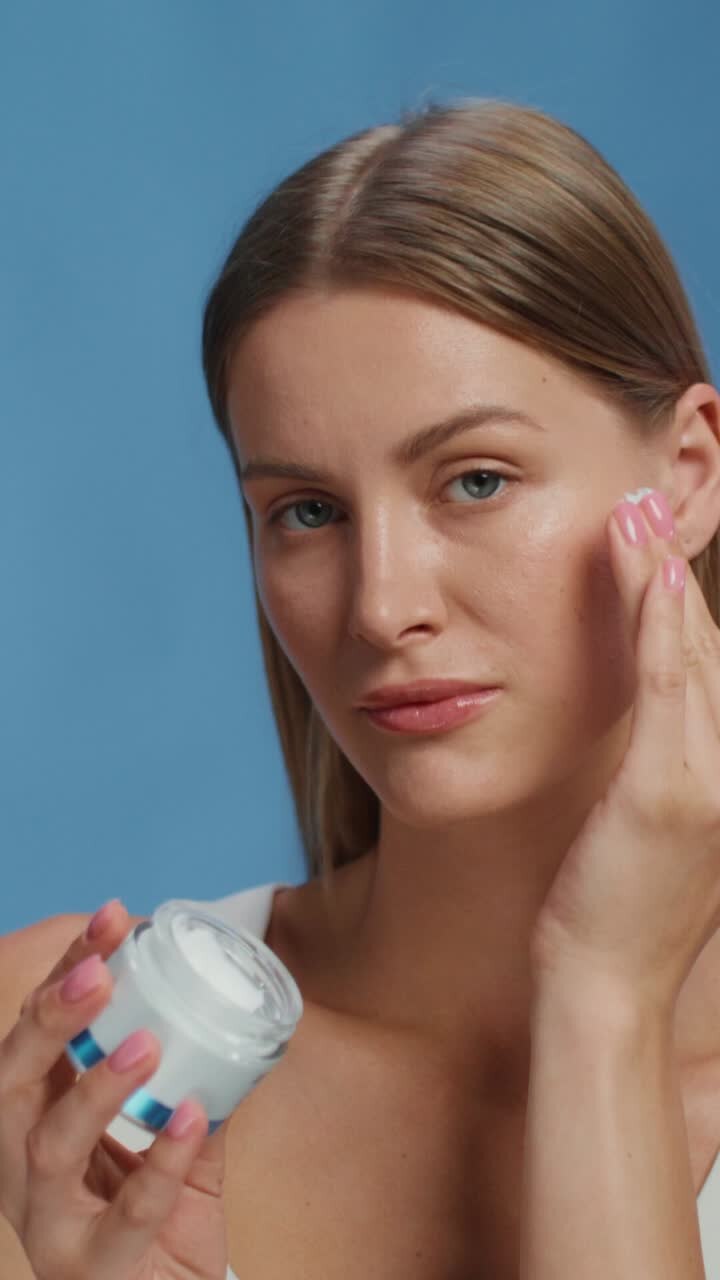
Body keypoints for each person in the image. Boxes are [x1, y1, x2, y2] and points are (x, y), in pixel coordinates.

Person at [1, 94, 720, 1279]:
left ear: (685, 476)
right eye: (307, 511)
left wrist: (607, 1003)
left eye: (476, 480)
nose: (381, 606)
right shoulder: (74, 1053)